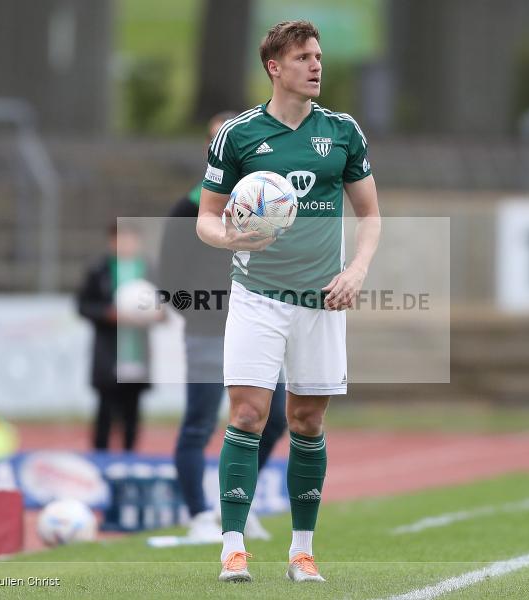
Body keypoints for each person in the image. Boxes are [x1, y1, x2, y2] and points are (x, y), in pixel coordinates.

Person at [195, 20, 381, 583]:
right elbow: (206, 216)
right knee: (248, 414)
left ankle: (302, 552)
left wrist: (355, 271)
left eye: (319, 56)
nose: (317, 66)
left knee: (306, 421)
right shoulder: (239, 135)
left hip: (321, 301)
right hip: (257, 297)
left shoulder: (344, 132)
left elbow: (370, 214)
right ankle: (233, 547)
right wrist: (230, 237)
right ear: (275, 67)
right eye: (304, 57)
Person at [159, 112, 288, 543]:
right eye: (222, 141)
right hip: (210, 329)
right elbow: (169, 278)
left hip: (263, 326)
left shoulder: (269, 204)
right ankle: (198, 517)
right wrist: (201, 312)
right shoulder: (190, 206)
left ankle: (236, 503)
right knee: (200, 421)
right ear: (211, 150)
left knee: (275, 420)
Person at [77, 222, 161, 452]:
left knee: (132, 411)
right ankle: (101, 457)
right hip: (109, 352)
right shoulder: (99, 269)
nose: (126, 244)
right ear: (111, 241)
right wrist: (108, 314)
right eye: (120, 239)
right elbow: (83, 306)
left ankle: (129, 458)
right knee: (105, 409)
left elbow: (164, 306)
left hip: (138, 351)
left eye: (131, 239)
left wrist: (157, 314)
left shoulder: (148, 269)